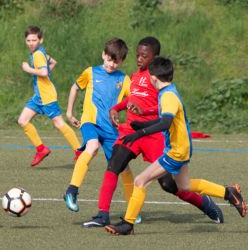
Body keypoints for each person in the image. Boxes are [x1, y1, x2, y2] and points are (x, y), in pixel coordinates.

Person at [82, 37, 223, 228]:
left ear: (155, 58)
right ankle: (102, 215)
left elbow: (166, 111)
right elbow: (133, 98)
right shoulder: (136, 75)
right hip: (132, 133)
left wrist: (145, 114)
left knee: (169, 185)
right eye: (138, 55)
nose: (139, 59)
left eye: (144, 56)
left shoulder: (159, 79)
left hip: (153, 135)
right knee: (114, 164)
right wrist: (116, 108)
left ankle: (204, 204)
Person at [104, 56, 246, 235]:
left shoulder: (168, 96)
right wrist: (142, 125)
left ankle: (128, 224)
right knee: (185, 185)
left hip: (176, 151)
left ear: (153, 78)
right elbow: (165, 119)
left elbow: (165, 123)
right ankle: (228, 192)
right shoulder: (169, 91)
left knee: (140, 180)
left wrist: (140, 133)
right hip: (181, 147)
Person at [63, 37, 131, 213]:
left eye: (116, 62)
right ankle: (72, 191)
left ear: (122, 61)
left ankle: (132, 207)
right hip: (90, 122)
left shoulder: (124, 80)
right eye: (109, 59)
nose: (111, 65)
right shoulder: (91, 72)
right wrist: (69, 113)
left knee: (123, 167)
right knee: (92, 147)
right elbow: (75, 88)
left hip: (111, 130)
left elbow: (133, 101)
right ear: (103, 55)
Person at [18, 26, 81, 167]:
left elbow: (44, 72)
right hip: (39, 96)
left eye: (34, 40)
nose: (31, 43)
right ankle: (41, 149)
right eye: (28, 40)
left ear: (41, 39)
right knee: (23, 120)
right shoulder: (39, 52)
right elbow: (53, 62)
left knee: (59, 123)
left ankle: (79, 151)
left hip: (46, 96)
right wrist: (43, 77)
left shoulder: (37, 55)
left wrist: (29, 69)